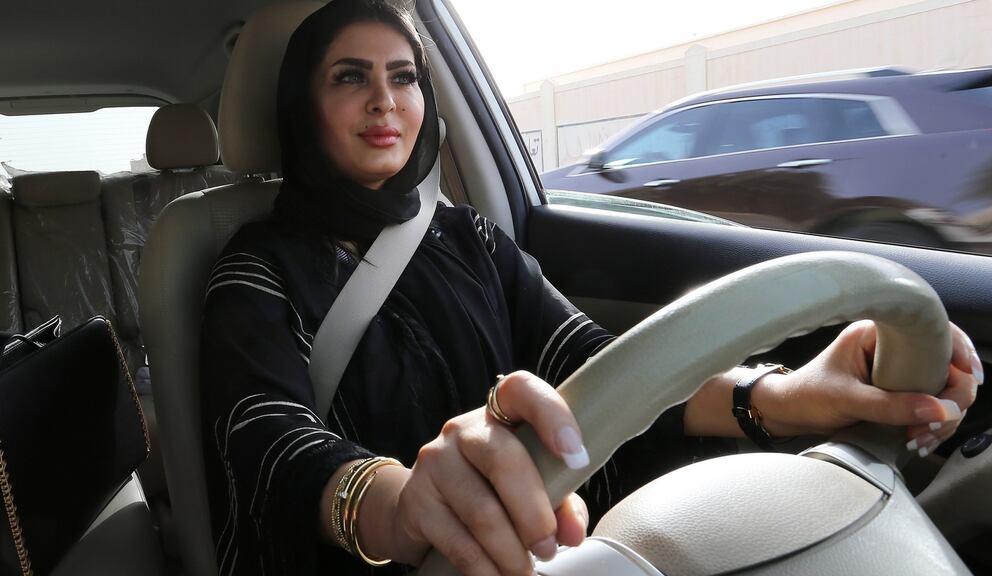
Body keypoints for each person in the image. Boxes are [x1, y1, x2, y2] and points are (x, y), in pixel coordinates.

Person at [200, 1, 983, 575]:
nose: (385, 100)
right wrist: (401, 503)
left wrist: (785, 394)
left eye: (404, 78)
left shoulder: (469, 237)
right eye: (350, 78)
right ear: (304, 106)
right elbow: (272, 443)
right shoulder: (255, 269)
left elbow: (604, 364)